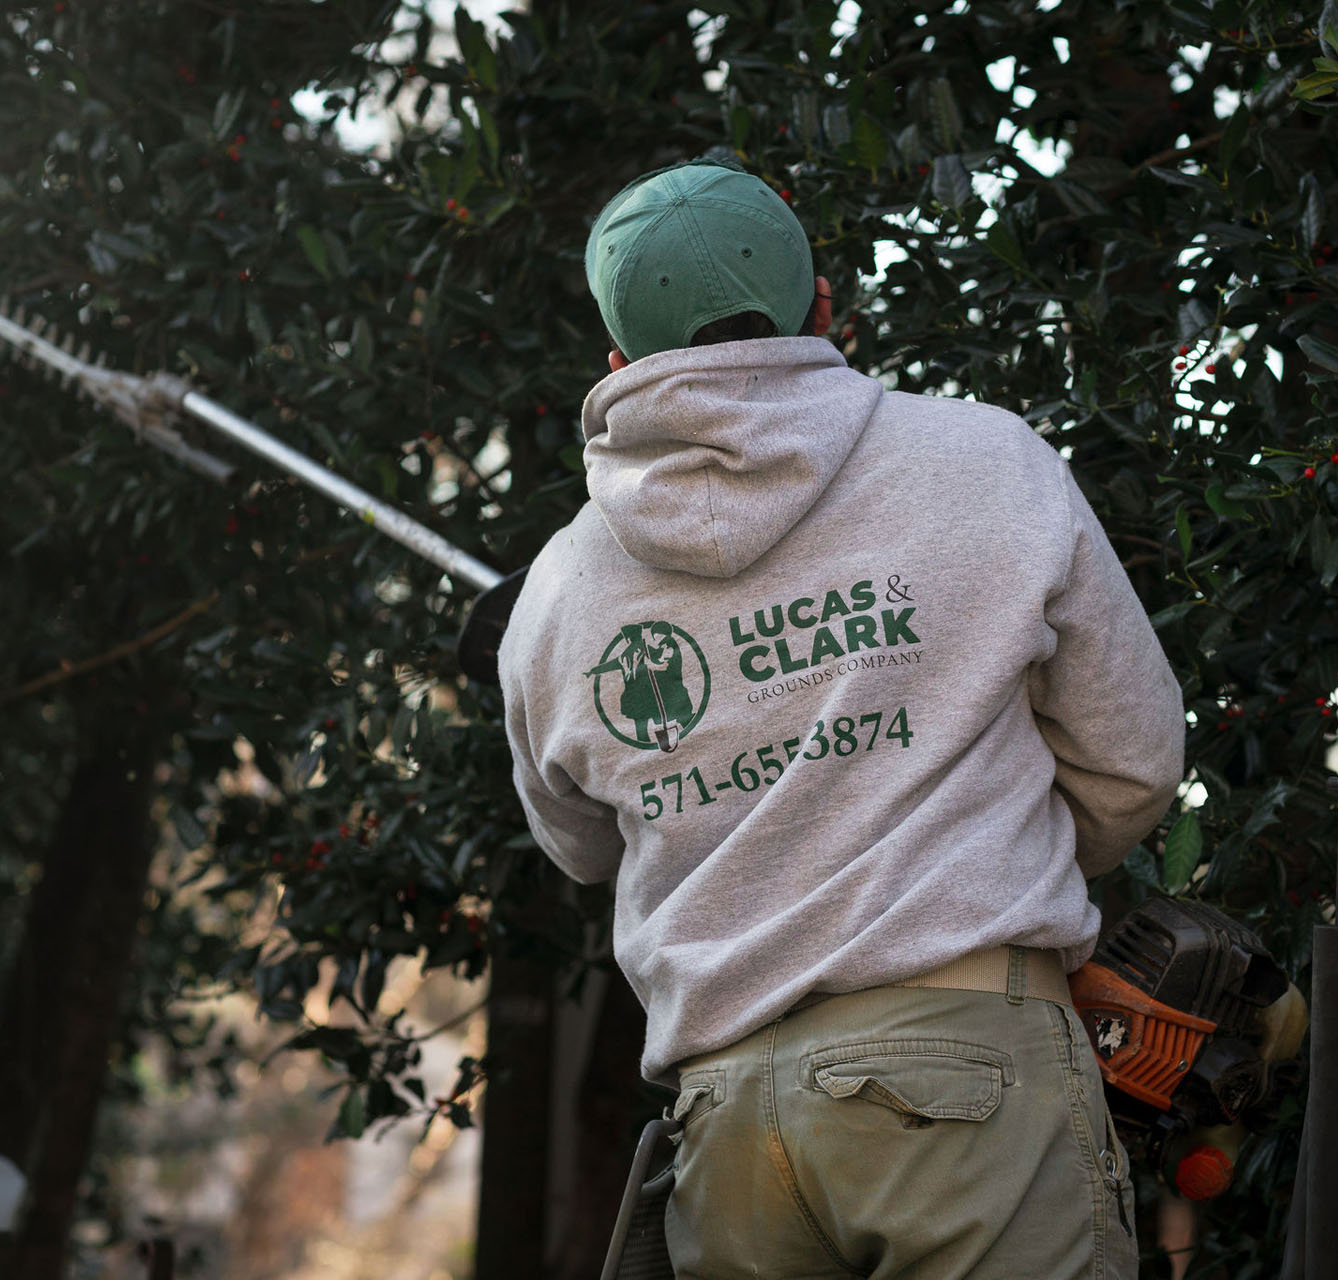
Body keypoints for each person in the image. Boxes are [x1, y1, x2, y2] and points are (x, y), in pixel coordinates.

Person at [497, 155, 1186, 1279]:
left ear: (620, 364)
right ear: (823, 309)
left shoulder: (559, 591)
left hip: (726, 1118)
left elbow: (578, 846)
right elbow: (1135, 760)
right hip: (971, 1078)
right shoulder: (988, 463)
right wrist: (982, 869)